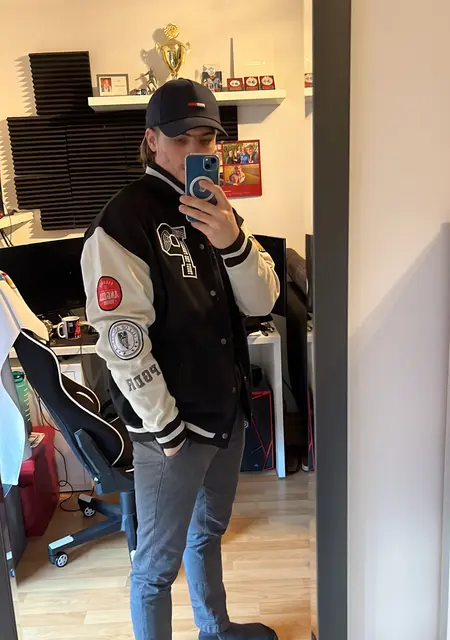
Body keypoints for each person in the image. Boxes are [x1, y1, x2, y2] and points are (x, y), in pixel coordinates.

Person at [81, 79, 279, 640]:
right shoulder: (123, 222)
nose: (197, 150)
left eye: (207, 140)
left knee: (208, 531)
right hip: (172, 430)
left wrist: (232, 240)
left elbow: (261, 302)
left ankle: (214, 629)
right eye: (183, 139)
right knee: (155, 568)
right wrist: (165, 426)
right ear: (152, 140)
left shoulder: (219, 211)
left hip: (225, 412)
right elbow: (123, 339)